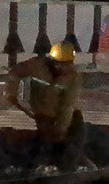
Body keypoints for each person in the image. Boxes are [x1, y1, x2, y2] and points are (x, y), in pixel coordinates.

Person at [6, 39, 84, 173]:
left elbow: (67, 106)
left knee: (67, 149)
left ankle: (66, 169)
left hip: (68, 120)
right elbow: (15, 73)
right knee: (43, 145)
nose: (62, 68)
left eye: (66, 64)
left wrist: (61, 129)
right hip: (43, 115)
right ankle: (38, 167)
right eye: (59, 64)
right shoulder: (37, 66)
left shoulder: (73, 78)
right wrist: (11, 92)